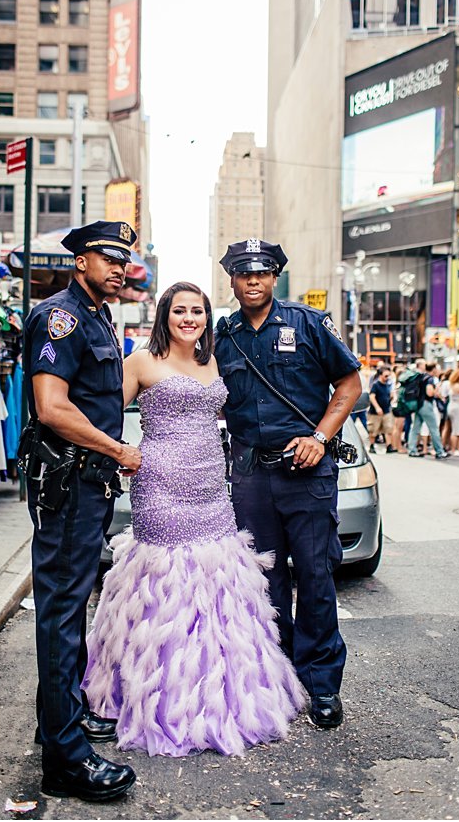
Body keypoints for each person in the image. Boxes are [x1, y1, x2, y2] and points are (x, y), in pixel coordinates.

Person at [82, 282, 306, 757]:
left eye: (197, 311)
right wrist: (120, 452)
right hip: (160, 486)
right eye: (179, 310)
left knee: (219, 586)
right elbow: (104, 413)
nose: (189, 318)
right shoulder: (141, 361)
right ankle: (157, 698)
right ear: (164, 315)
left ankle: (219, 697)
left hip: (210, 489)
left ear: (207, 317)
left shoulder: (214, 361)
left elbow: (239, 408)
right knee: (166, 586)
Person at [214, 239, 362, 729]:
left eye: (263, 272)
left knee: (316, 578)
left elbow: (349, 384)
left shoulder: (307, 323)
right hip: (251, 475)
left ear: (275, 277)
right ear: (231, 280)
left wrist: (321, 437)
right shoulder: (224, 335)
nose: (253, 280)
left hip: (307, 473)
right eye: (243, 273)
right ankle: (278, 676)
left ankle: (322, 684)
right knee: (266, 580)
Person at [22, 221, 141, 802]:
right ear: (80, 262)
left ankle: (59, 724)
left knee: (71, 610)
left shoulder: (98, 316)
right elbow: (51, 407)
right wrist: (119, 450)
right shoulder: (60, 317)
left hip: (87, 485)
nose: (120, 267)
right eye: (108, 257)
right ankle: (65, 762)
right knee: (62, 616)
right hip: (68, 486)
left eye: (125, 260)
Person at [408, 360, 448, 459]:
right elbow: (429, 392)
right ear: (433, 369)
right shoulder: (430, 379)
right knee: (433, 428)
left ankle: (412, 449)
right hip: (426, 404)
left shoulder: (421, 377)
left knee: (415, 429)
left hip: (418, 404)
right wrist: (436, 390)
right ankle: (439, 451)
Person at [368, 365, 396, 453]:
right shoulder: (376, 385)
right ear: (380, 375)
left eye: (388, 376)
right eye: (385, 376)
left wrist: (392, 398)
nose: (387, 378)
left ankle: (389, 446)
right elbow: (372, 397)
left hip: (386, 410)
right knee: (373, 430)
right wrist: (377, 407)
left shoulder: (388, 384)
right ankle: (372, 445)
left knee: (388, 429)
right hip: (375, 412)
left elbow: (390, 395)